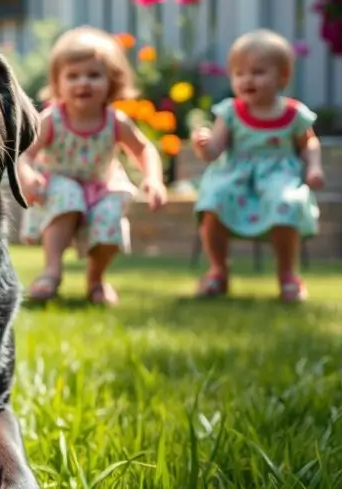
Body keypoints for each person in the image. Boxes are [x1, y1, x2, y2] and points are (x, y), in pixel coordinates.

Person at [17, 26, 167, 305]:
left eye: (93, 75)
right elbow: (25, 154)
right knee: (68, 193)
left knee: (111, 216)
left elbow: (144, 149)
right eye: (72, 76)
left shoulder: (115, 121)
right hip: (58, 186)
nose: (82, 83)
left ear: (112, 81)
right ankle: (52, 271)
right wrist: (26, 176)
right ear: (57, 82)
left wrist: (153, 179)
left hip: (101, 187)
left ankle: (96, 280)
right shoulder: (53, 119)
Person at [191, 28, 323, 302]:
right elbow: (215, 151)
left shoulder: (293, 114)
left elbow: (308, 143)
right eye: (239, 73)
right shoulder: (229, 112)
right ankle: (218, 271)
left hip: (279, 177)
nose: (247, 79)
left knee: (288, 202)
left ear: (282, 77)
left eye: (258, 72)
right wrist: (203, 146)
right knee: (213, 201)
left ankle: (288, 275)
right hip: (235, 177)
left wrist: (314, 167)